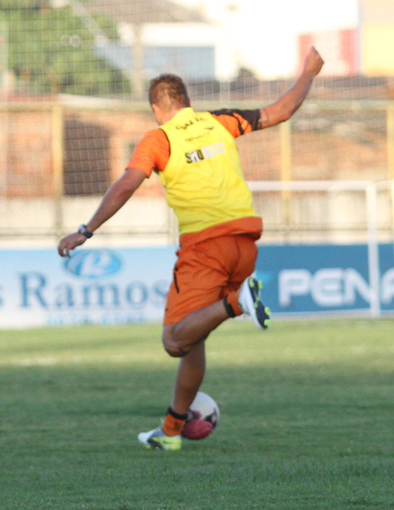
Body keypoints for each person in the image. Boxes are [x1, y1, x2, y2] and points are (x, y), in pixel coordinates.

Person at [58, 48, 324, 451]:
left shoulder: (159, 138)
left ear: (156, 108)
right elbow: (281, 111)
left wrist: (86, 230)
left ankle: (237, 303)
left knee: (173, 341)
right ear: (187, 101)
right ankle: (170, 431)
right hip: (245, 244)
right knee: (193, 338)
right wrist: (308, 73)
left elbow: (127, 183)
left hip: (205, 248)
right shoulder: (220, 121)